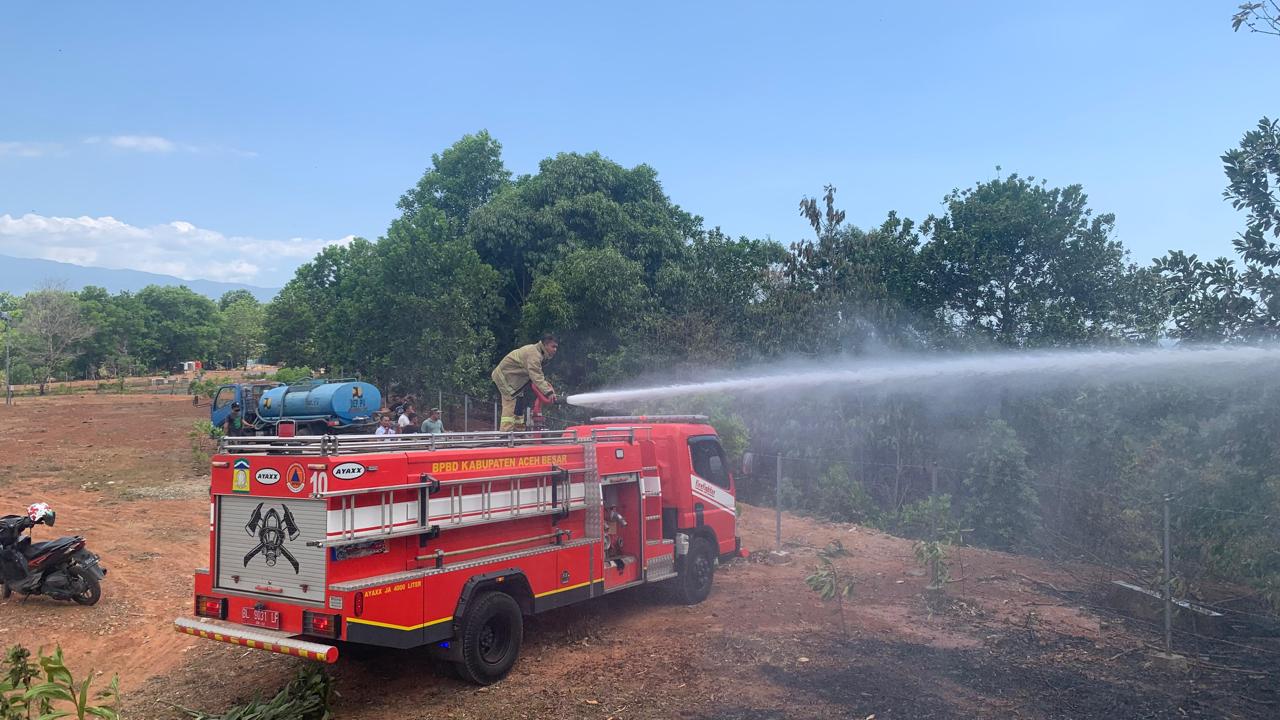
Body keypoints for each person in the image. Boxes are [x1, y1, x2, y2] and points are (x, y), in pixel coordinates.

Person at [491, 333, 558, 431]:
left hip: (514, 380)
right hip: (504, 378)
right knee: (510, 404)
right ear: (545, 345)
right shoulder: (534, 355)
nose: (555, 349)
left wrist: (546, 389)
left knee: (519, 404)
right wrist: (548, 392)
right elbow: (536, 376)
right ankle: (505, 435)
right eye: (553, 346)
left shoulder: (538, 353)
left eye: (556, 347)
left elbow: (535, 376)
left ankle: (519, 431)